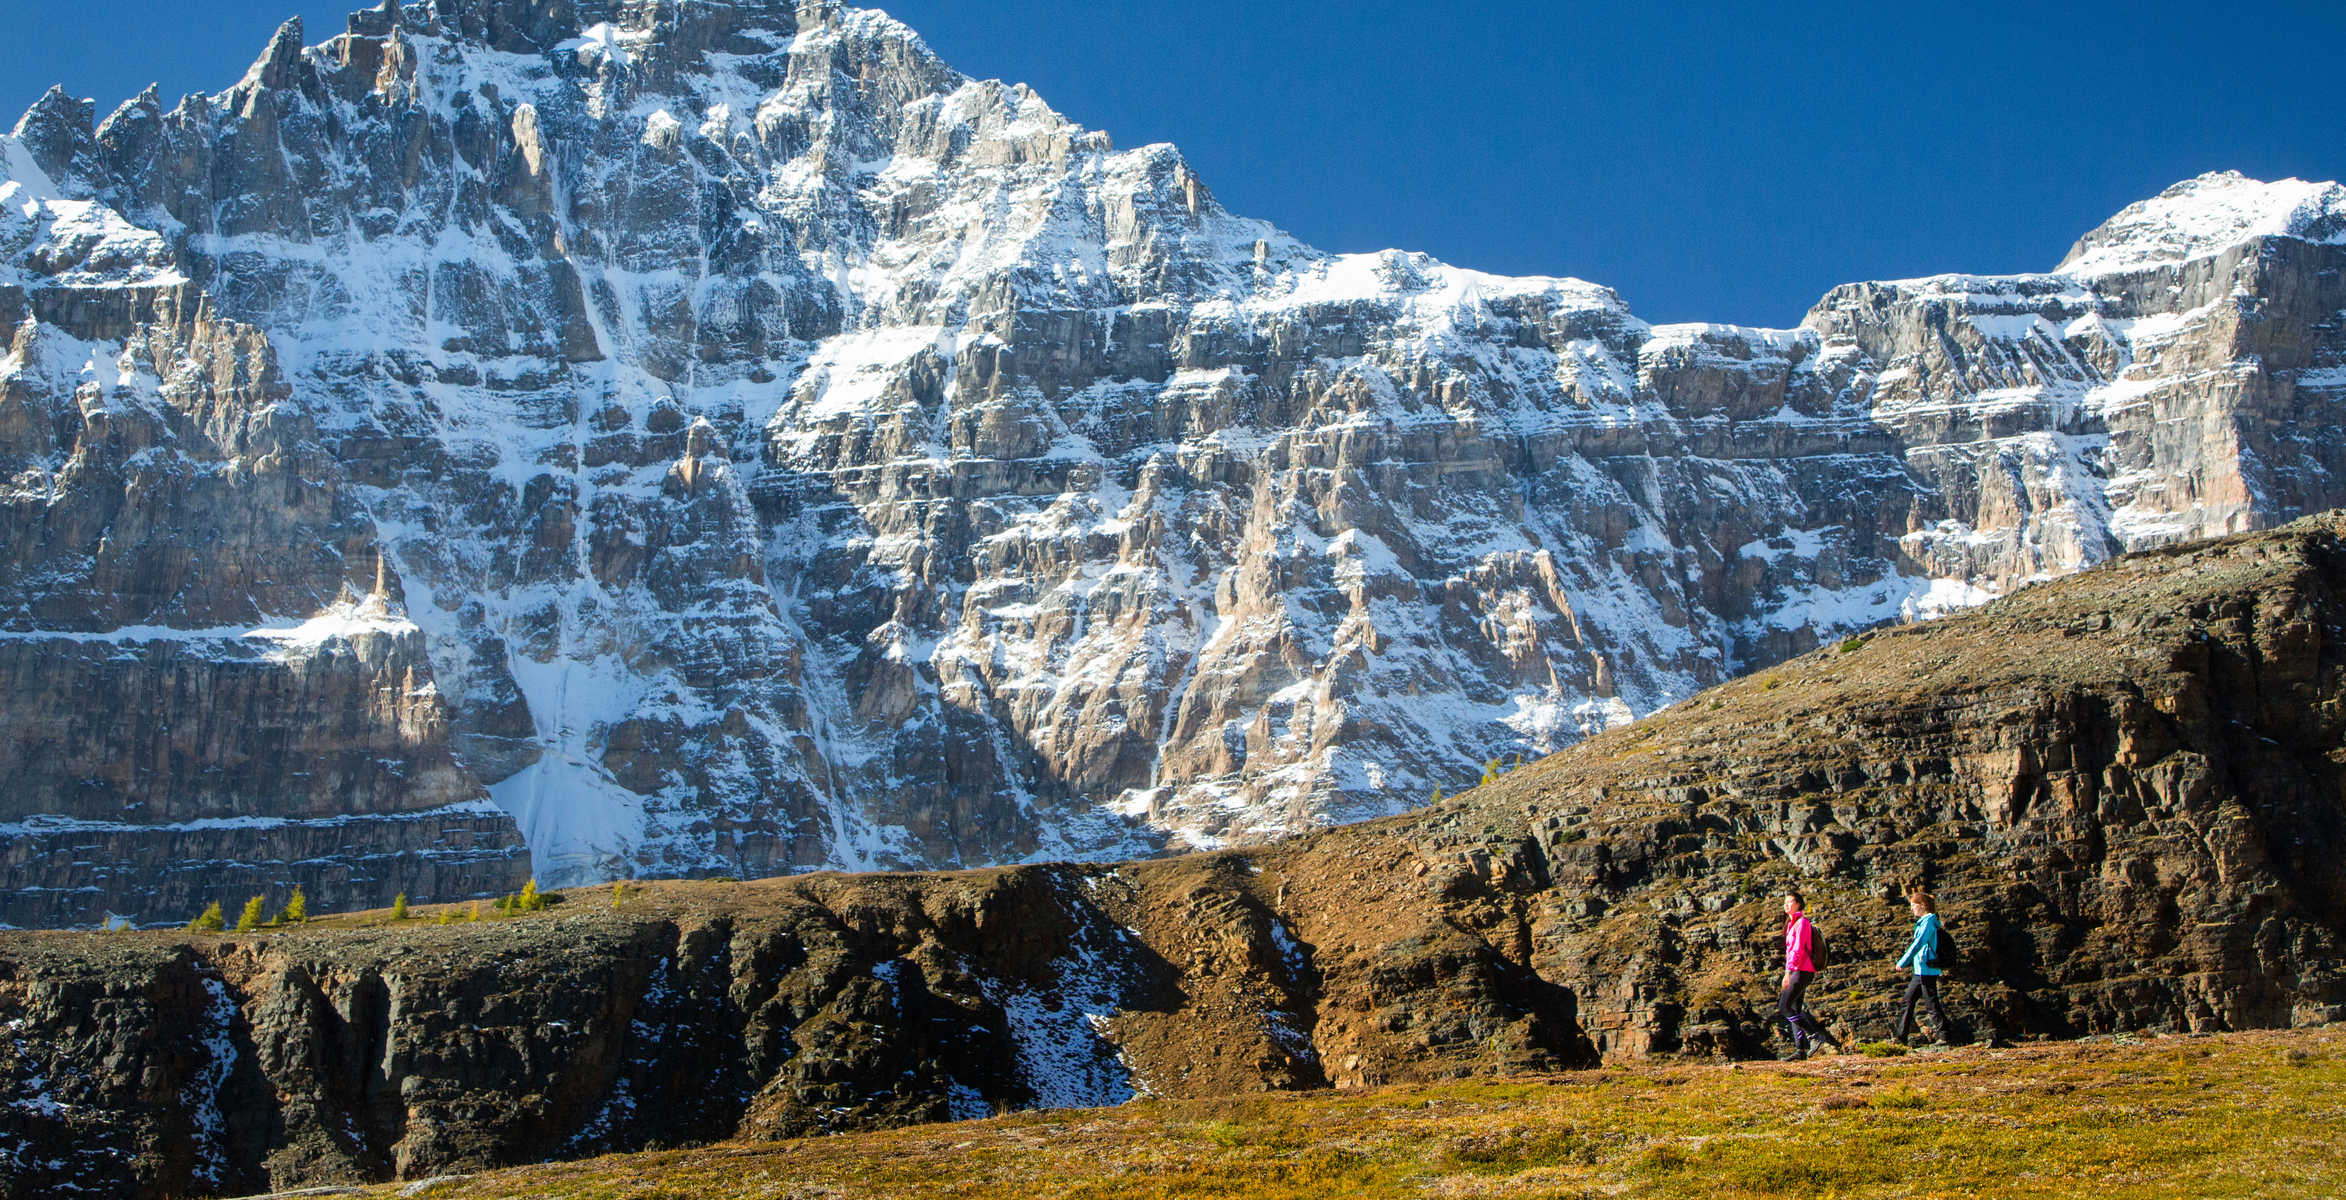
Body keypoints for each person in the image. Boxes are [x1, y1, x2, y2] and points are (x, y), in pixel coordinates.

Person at [1779, 890, 1842, 1058]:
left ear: (1798, 904)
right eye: (1785, 902)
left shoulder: (1802, 923)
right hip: (1798, 970)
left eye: (1790, 901)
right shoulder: (1792, 924)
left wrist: (1788, 973)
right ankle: (1800, 1050)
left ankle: (1815, 1035)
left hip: (1801, 970)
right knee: (1794, 1009)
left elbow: (1798, 950)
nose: (1786, 904)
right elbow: (1789, 951)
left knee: (1784, 1007)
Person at [1893, 890, 1954, 1045]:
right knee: (1908, 1001)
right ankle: (1901, 1037)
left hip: (1926, 970)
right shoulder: (1926, 922)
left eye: (1914, 906)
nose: (1912, 909)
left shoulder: (1928, 922)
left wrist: (1903, 961)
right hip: (1921, 970)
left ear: (1922, 906)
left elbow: (1918, 944)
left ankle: (1945, 1036)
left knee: (1930, 1004)